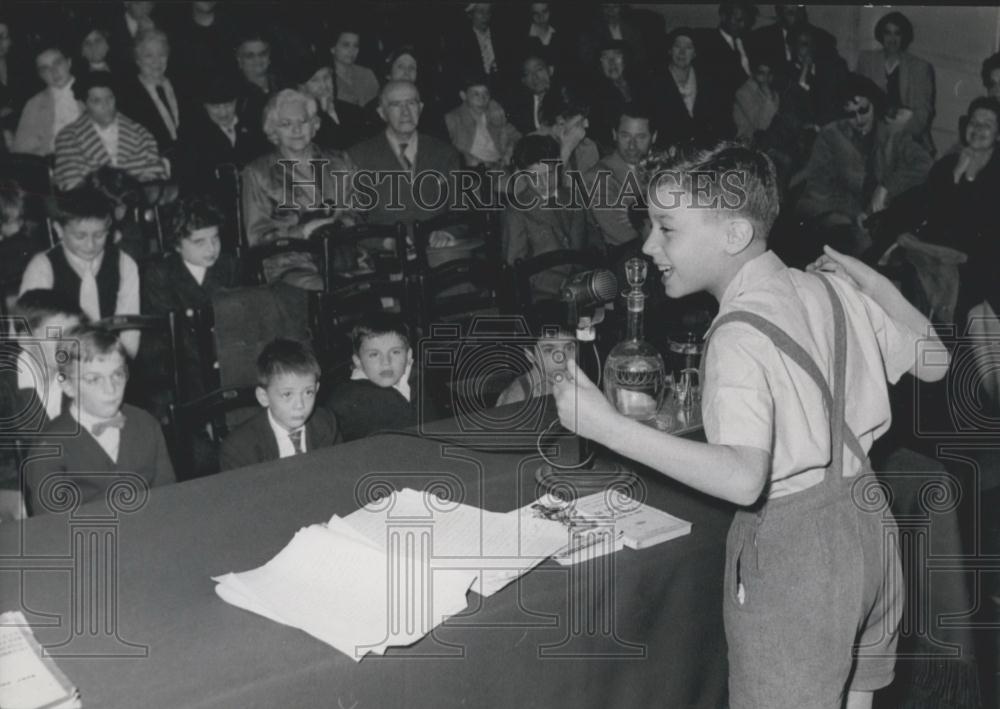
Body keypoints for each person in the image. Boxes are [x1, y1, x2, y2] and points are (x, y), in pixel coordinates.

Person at [551, 141, 949, 709]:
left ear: (733, 235)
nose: (648, 245)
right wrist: (867, 278)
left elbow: (743, 478)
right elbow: (936, 363)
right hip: (872, 529)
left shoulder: (737, 333)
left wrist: (608, 427)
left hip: (798, 559)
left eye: (667, 228)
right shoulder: (832, 291)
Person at [25, 325, 176, 516]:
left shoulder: (146, 424)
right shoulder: (48, 446)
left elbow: (169, 497)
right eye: (94, 379)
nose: (110, 389)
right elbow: (49, 525)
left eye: (117, 375)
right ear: (68, 386)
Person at [795, 73, 932, 258]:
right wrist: (854, 212)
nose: (859, 119)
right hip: (832, 211)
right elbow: (820, 187)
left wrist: (886, 187)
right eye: (850, 114)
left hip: (873, 219)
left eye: (864, 110)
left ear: (874, 104)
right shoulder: (831, 135)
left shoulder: (892, 135)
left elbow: (924, 163)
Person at [241, 88, 356, 291]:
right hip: (289, 263)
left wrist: (338, 224)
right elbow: (257, 237)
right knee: (327, 288)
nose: (296, 130)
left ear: (314, 125)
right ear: (273, 130)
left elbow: (358, 210)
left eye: (302, 122)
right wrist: (302, 231)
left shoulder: (339, 161)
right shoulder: (257, 172)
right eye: (286, 124)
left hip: (341, 256)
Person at [19, 187, 141, 356]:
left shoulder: (124, 264)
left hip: (108, 360)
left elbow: (130, 330)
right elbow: (29, 331)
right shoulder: (42, 266)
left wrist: (122, 368)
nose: (90, 245)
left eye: (99, 235)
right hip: (56, 360)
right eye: (80, 236)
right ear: (59, 230)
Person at [141, 196, 239, 402]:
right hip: (178, 359)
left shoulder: (229, 266)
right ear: (177, 244)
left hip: (222, 352)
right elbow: (171, 333)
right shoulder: (160, 274)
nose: (211, 248)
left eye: (215, 238)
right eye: (199, 242)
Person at [0, 291, 84, 520]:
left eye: (73, 334)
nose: (68, 345)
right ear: (25, 339)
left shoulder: (83, 377)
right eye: (56, 336)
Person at [502, 134, 604, 302]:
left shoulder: (574, 198)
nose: (544, 183)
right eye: (534, 177)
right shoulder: (516, 212)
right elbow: (514, 269)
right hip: (543, 296)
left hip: (585, 288)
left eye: (549, 173)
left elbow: (594, 240)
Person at [219, 338, 340, 471]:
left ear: (317, 389)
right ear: (264, 397)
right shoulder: (239, 449)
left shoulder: (325, 423)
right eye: (287, 394)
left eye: (308, 392)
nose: (300, 405)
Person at [327, 313, 438, 441]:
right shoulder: (346, 400)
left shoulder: (420, 381)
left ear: (408, 356)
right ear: (358, 361)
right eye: (374, 354)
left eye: (395, 352)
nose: (386, 362)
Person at [52, 70, 169, 191]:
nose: (106, 105)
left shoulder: (141, 133)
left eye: (109, 98)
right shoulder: (68, 138)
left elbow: (155, 180)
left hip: (138, 205)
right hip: (93, 207)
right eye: (97, 101)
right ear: (84, 104)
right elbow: (72, 186)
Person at [856, 11, 936, 155]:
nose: (892, 39)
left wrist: (897, 135)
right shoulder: (867, 60)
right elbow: (857, 100)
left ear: (904, 36)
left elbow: (922, 115)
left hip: (908, 137)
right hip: (870, 136)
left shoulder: (920, 67)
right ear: (881, 35)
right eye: (888, 33)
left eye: (897, 33)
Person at [583, 104, 655, 258]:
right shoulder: (598, 176)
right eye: (625, 135)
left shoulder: (661, 169)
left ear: (654, 137)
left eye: (641, 137)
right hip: (626, 262)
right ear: (614, 134)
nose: (632, 145)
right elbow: (623, 235)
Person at [117, 29, 194, 158]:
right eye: (149, 56)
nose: (156, 61)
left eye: (162, 54)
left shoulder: (183, 86)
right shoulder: (127, 96)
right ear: (137, 59)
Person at [651, 27, 733, 150]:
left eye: (688, 48)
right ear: (670, 50)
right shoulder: (655, 82)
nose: (682, 53)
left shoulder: (709, 82)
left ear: (695, 53)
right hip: (668, 152)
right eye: (677, 46)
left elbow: (722, 120)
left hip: (705, 151)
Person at [292, 51, 372, 152]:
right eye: (314, 80)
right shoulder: (299, 121)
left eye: (326, 77)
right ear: (302, 88)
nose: (324, 86)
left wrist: (330, 112)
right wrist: (325, 114)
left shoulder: (354, 111)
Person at [12, 44, 81, 156]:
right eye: (45, 69)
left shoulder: (91, 90)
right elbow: (21, 151)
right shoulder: (34, 104)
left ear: (69, 62)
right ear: (40, 75)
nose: (53, 71)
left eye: (57, 63)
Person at [495, 314, 575, 407]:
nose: (563, 358)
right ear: (530, 355)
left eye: (569, 348)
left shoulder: (578, 382)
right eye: (549, 350)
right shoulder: (517, 398)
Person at [444, 72, 520, 168]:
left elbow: (516, 136)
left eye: (486, 94)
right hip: (472, 171)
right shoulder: (453, 118)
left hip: (499, 167)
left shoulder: (494, 113)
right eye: (476, 94)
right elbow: (445, 149)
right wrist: (472, 161)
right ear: (463, 96)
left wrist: (510, 148)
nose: (482, 99)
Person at [330, 27, 379, 108]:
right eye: (346, 45)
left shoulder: (367, 74)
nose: (352, 50)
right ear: (333, 48)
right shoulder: (326, 78)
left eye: (355, 46)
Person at [733, 59, 779, 143]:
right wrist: (768, 95)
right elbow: (761, 125)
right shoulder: (743, 93)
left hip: (769, 141)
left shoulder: (774, 94)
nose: (765, 77)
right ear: (753, 73)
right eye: (761, 73)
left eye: (769, 73)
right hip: (747, 142)